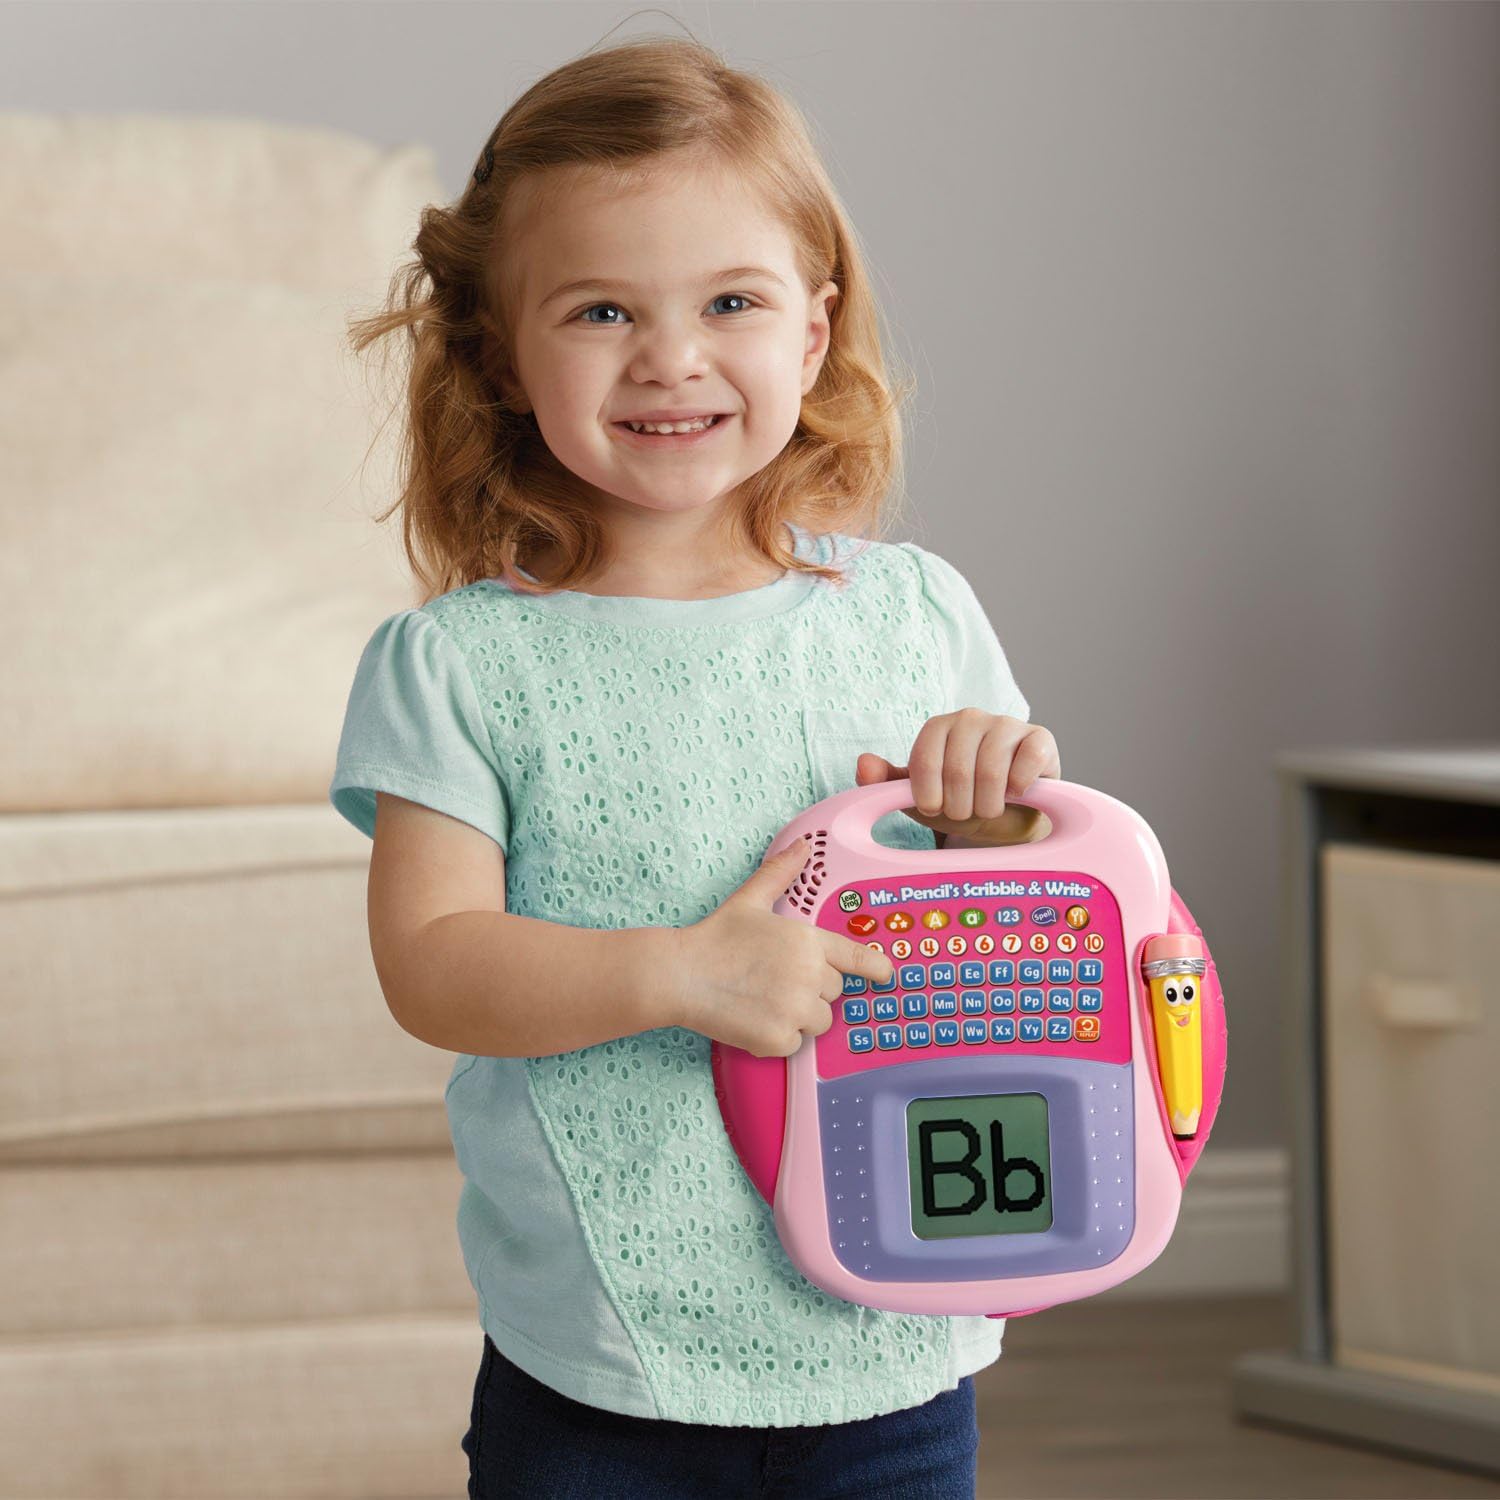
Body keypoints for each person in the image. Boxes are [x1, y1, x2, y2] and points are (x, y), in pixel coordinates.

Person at [329, 29, 1061, 1500]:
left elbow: (1029, 924)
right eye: (602, 309)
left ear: (813, 329)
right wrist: (680, 975)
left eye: (731, 301)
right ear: (502, 354)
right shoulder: (462, 666)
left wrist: (999, 825)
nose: (671, 357)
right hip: (603, 1367)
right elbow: (432, 963)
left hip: (895, 1328)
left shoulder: (920, 615)